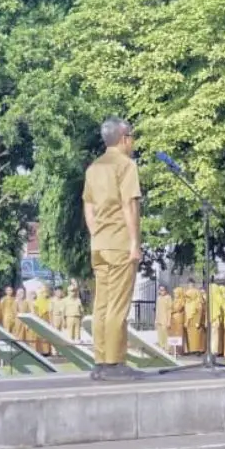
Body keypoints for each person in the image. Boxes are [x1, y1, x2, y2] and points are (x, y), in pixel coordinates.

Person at [83, 117, 144, 380]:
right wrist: (134, 242)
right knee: (118, 306)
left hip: (99, 244)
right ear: (124, 139)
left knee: (102, 305)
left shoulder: (94, 167)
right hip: (119, 243)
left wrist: (96, 233)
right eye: (131, 137)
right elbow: (129, 205)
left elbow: (88, 206)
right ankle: (114, 362)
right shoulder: (126, 165)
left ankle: (100, 361)